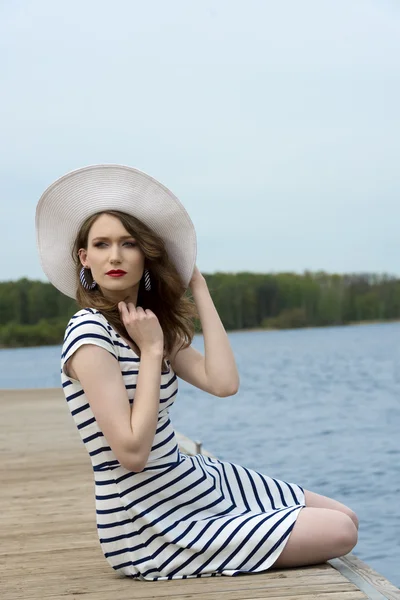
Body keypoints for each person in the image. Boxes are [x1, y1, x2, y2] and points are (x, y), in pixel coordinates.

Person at [35, 164, 358, 582]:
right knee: (339, 531)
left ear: (145, 254)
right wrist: (151, 354)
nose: (115, 256)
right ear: (84, 258)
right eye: (101, 244)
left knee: (343, 514)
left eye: (128, 243)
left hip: (188, 481)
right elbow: (131, 454)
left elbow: (223, 383)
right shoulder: (90, 334)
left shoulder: (148, 324)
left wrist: (198, 288)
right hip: (145, 522)